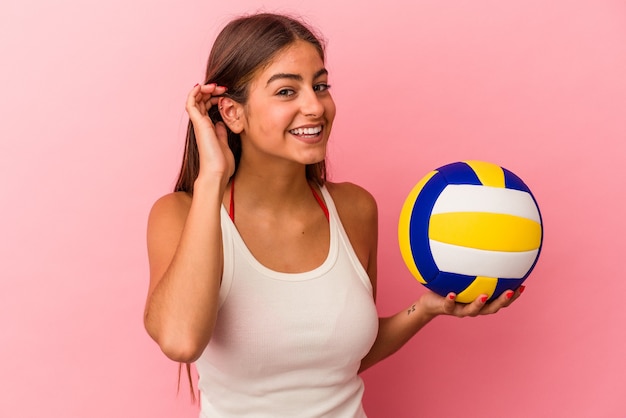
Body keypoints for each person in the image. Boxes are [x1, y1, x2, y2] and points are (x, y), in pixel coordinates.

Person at [143, 12, 523, 418]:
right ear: (232, 113)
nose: (315, 106)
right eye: (287, 91)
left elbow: (339, 362)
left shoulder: (355, 209)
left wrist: (427, 308)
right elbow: (181, 341)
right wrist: (212, 177)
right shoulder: (180, 214)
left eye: (320, 86)